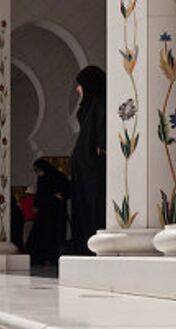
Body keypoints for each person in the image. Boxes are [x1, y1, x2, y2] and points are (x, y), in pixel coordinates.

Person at [71, 65, 107, 255]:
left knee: (93, 205)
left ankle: (94, 247)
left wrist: (102, 146)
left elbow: (102, 133)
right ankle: (84, 246)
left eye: (80, 84)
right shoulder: (90, 105)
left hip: (93, 166)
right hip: (84, 165)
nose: (78, 89)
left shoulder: (100, 103)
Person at [27, 159, 69, 265]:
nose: (38, 173)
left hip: (55, 214)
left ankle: (52, 258)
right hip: (43, 214)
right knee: (40, 236)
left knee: (53, 236)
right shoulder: (42, 179)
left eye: (38, 170)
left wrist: (61, 195)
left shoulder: (58, 177)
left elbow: (67, 190)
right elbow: (40, 195)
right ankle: (38, 258)